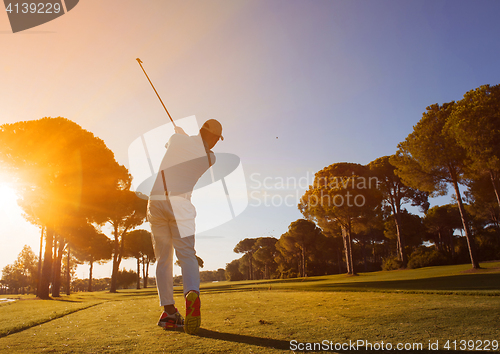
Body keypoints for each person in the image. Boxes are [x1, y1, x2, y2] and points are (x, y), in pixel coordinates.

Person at [147, 119, 223, 334]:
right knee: (187, 255)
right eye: (217, 138)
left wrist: (180, 134)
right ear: (215, 138)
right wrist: (183, 137)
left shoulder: (177, 139)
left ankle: (169, 312)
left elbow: (171, 146)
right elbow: (194, 149)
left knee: (163, 258)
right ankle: (192, 293)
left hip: (157, 200)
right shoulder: (210, 158)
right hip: (181, 205)